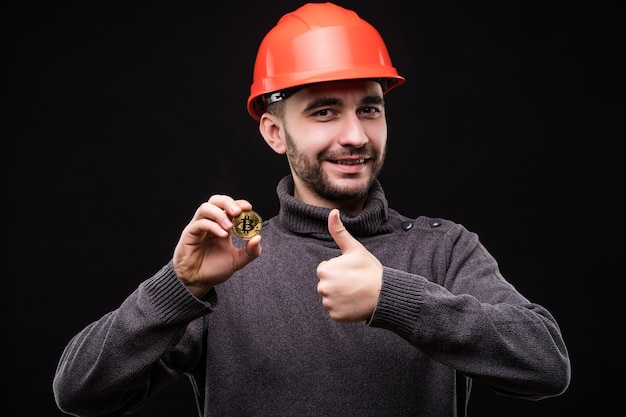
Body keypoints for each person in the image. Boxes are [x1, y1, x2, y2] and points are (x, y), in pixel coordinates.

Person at [53, 2, 571, 416]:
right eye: (324, 112)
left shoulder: (442, 247)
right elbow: (79, 392)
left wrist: (393, 298)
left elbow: (546, 366)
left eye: (370, 108)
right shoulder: (239, 245)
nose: (354, 135)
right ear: (275, 132)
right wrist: (180, 288)